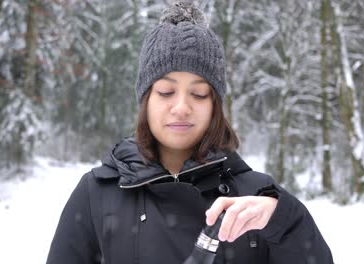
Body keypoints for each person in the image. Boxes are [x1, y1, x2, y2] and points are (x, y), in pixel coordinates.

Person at [46, 2, 333, 264]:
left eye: (198, 93)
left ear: (215, 106)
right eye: (166, 91)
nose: (181, 107)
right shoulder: (97, 194)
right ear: (146, 101)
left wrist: (285, 219)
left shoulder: (256, 198)